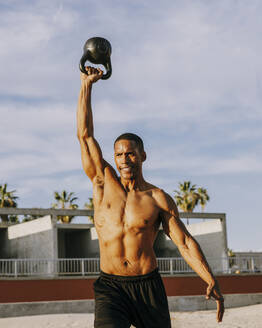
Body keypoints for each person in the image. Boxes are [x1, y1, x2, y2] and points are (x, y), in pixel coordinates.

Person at [77, 67, 224, 328]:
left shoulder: (157, 198)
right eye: (119, 154)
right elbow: (85, 135)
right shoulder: (102, 181)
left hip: (148, 286)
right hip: (111, 287)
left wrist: (208, 277)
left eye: (130, 153)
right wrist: (86, 86)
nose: (124, 159)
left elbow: (184, 242)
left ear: (143, 156)